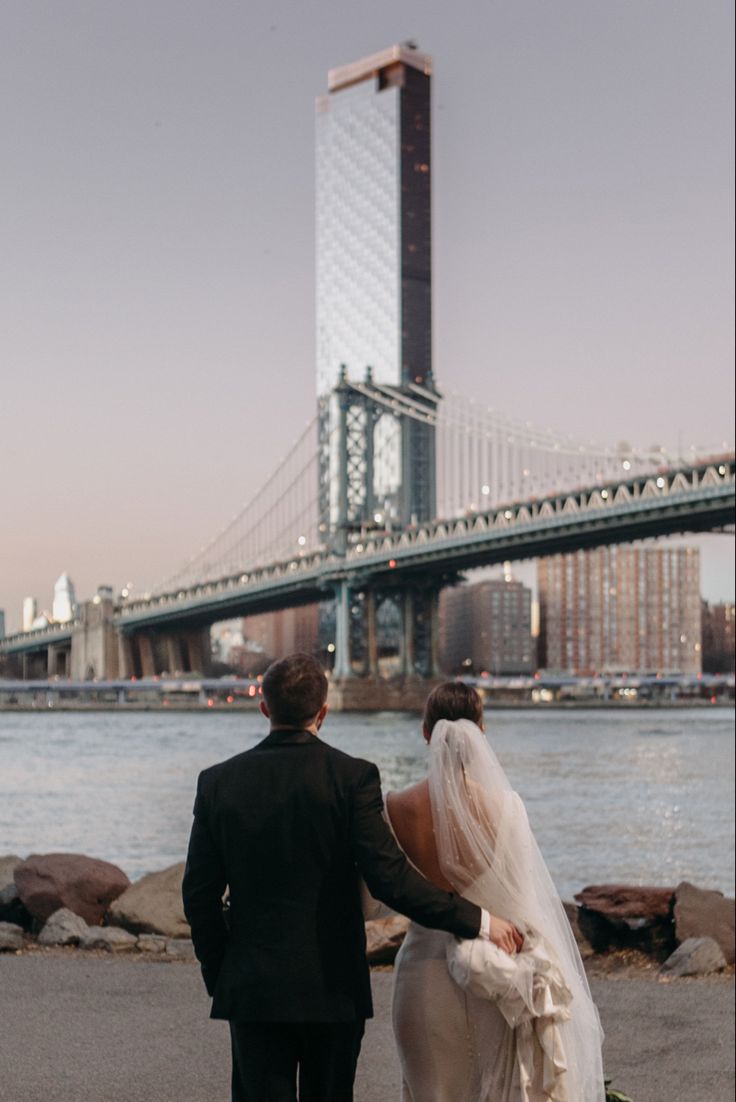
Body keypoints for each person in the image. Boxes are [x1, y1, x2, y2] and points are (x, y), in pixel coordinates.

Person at [182, 654, 521, 1102]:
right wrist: (478, 920)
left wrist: (221, 971)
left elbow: (198, 896)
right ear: (323, 711)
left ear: (264, 709)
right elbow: (391, 880)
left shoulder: (218, 783)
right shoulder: (353, 778)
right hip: (332, 987)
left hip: (252, 989)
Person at [387, 681, 605, 1101]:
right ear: (480, 734)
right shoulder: (506, 807)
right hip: (492, 976)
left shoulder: (393, 805)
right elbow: (523, 896)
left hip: (422, 975)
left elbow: (378, 900)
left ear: (425, 733)